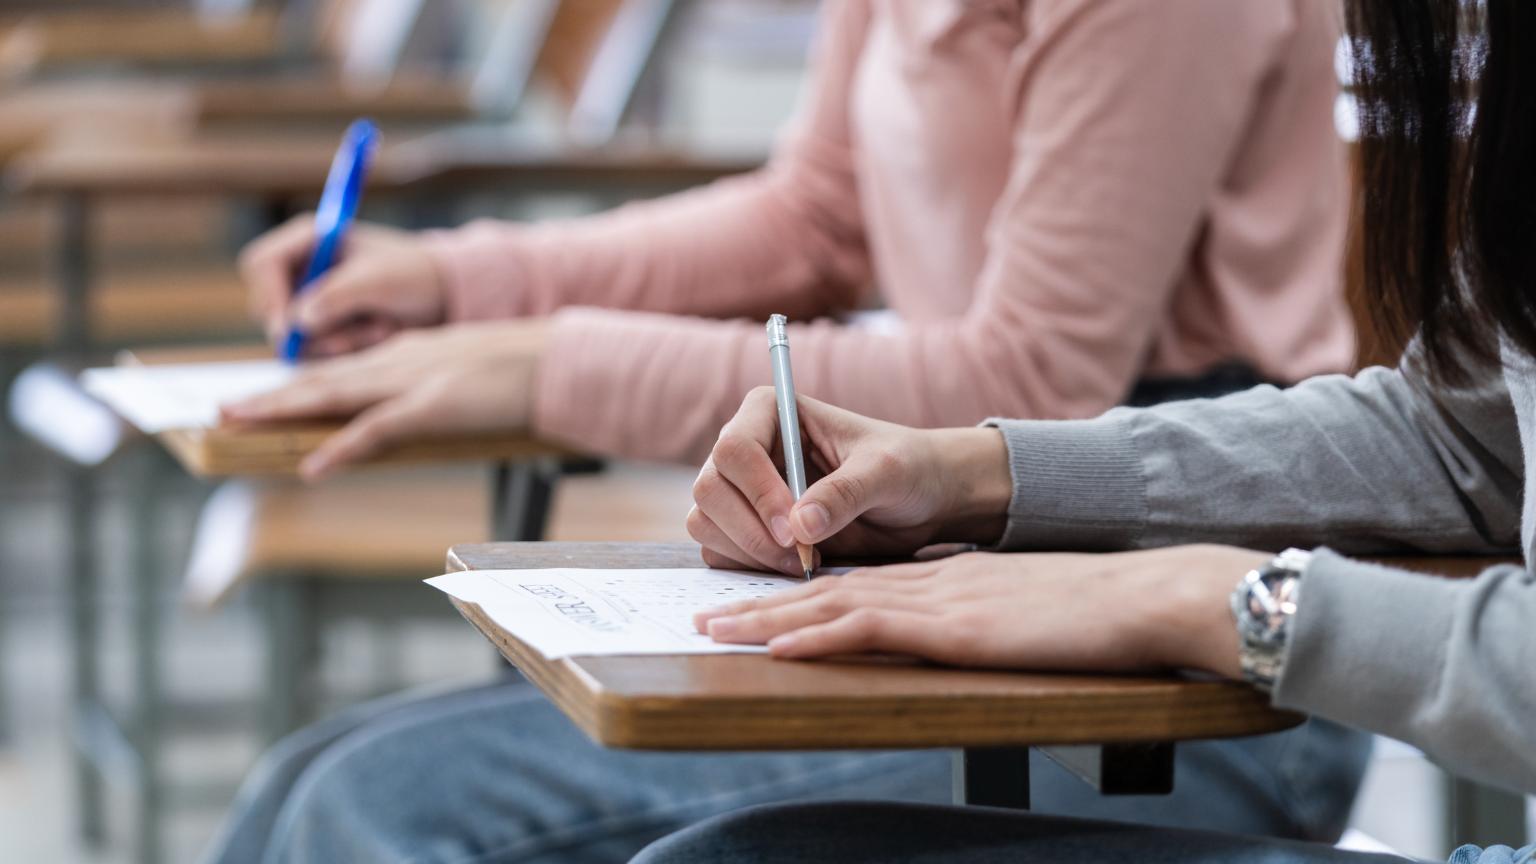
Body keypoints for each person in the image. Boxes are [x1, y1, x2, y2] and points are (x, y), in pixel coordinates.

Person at [202, 2, 1370, 862]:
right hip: (982, 580)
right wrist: (463, 286)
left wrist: (543, 370)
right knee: (311, 778)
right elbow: (815, 215)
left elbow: (1032, 375)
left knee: (377, 809)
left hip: (1196, 671)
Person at [634, 0, 1536, 860]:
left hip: (1253, 703)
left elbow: (1034, 363)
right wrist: (974, 474)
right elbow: (1462, 437)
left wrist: (1196, 597)